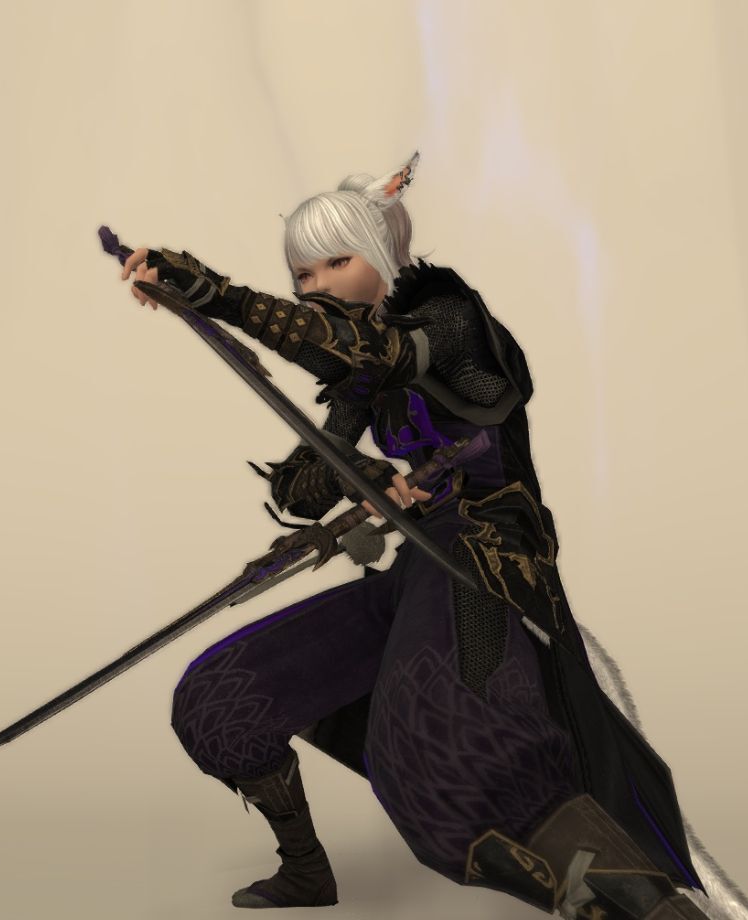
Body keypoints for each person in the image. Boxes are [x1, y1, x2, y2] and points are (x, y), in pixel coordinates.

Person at [114, 153, 711, 920]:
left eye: (336, 262)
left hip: (489, 561)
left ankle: (650, 911)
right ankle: (305, 872)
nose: (316, 285)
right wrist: (357, 471)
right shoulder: (361, 375)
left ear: (382, 252)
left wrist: (213, 295)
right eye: (303, 274)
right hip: (418, 562)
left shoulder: (449, 321)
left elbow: (366, 349)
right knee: (221, 698)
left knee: (439, 746)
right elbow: (297, 487)